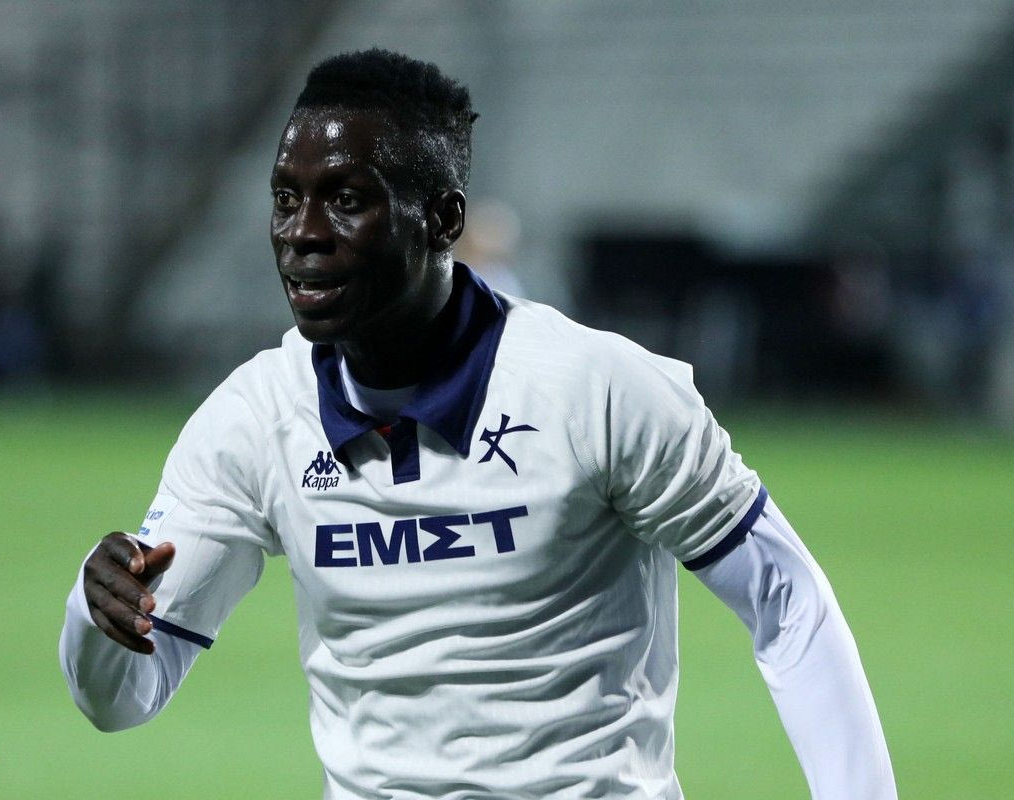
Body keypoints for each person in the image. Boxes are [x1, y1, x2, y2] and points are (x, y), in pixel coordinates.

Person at [60, 49, 897, 798]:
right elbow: (122, 699)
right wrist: (94, 619)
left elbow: (787, 600)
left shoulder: (600, 391)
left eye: (346, 200)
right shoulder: (253, 419)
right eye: (287, 199)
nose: (303, 235)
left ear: (445, 221)